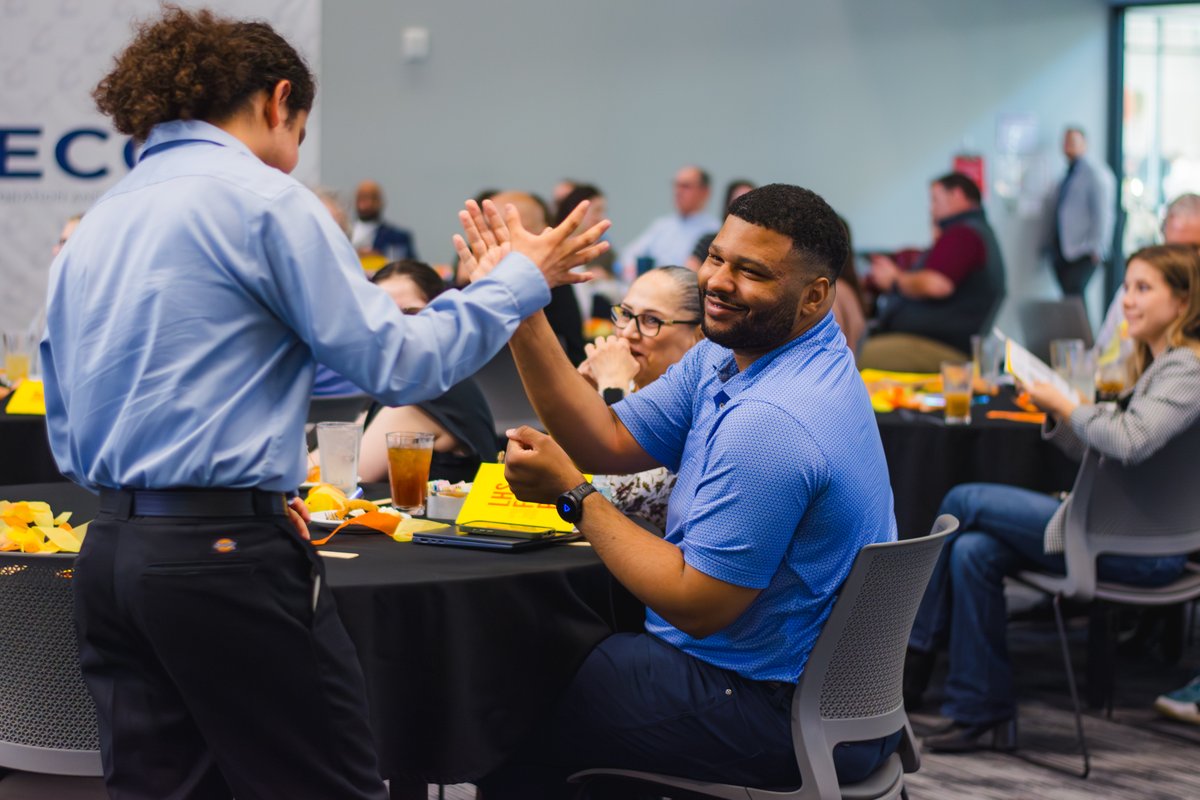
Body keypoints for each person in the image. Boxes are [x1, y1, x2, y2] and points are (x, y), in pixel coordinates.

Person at [39, 8, 607, 798]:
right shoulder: (264, 201)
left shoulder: (99, 223)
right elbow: (400, 362)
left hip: (112, 554)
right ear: (279, 102)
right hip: (223, 559)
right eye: (300, 130)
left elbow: (64, 422)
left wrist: (224, 492)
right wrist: (517, 282)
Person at [455, 183, 899, 797]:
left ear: (815, 294)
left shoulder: (772, 419)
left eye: (751, 271)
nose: (717, 281)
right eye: (716, 257)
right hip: (807, 688)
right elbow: (605, 439)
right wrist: (521, 307)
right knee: (543, 656)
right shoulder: (750, 352)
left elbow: (696, 602)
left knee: (508, 681)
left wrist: (575, 495)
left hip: (770, 707)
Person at [905, 243, 1200, 753]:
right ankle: (980, 712)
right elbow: (1102, 445)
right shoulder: (1155, 366)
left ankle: (909, 661)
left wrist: (1066, 401)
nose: (1126, 300)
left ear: (1183, 303)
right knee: (975, 552)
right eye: (1126, 286)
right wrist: (1057, 411)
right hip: (1115, 531)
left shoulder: (1187, 369)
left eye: (1143, 288)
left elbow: (1127, 442)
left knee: (962, 500)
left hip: (1144, 550)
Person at [345, 260, 498, 484]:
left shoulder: (428, 391)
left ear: (441, 319)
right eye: (383, 317)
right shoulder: (417, 382)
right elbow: (332, 456)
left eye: (411, 314)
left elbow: (345, 478)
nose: (396, 328)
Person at [579, 266, 702, 529]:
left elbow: (613, 495)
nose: (628, 333)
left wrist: (613, 390)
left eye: (651, 321)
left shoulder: (695, 411)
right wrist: (582, 393)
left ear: (698, 336)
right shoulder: (624, 386)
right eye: (625, 314)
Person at [860, 172, 1006, 372]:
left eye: (935, 199)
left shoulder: (964, 234)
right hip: (943, 345)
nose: (931, 208)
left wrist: (895, 280)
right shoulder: (975, 232)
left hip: (942, 349)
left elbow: (936, 284)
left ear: (957, 194)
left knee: (856, 357)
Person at [1045, 126, 1116, 310]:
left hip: (1083, 250)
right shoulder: (1067, 174)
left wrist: (1097, 246)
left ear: (1085, 144)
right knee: (1069, 299)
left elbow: (1103, 214)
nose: (1069, 146)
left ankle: (1083, 338)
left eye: (1074, 142)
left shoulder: (1094, 174)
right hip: (1063, 249)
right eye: (1066, 142)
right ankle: (1073, 336)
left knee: (1075, 297)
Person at [619, 165, 721, 281]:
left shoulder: (714, 231)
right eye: (676, 185)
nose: (678, 191)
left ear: (705, 192)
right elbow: (629, 254)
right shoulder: (662, 225)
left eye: (685, 186)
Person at [351, 178, 417, 261]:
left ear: (381, 202)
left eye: (372, 198)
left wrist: (380, 258)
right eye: (362, 198)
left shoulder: (398, 238)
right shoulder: (344, 234)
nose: (366, 204)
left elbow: (412, 268)